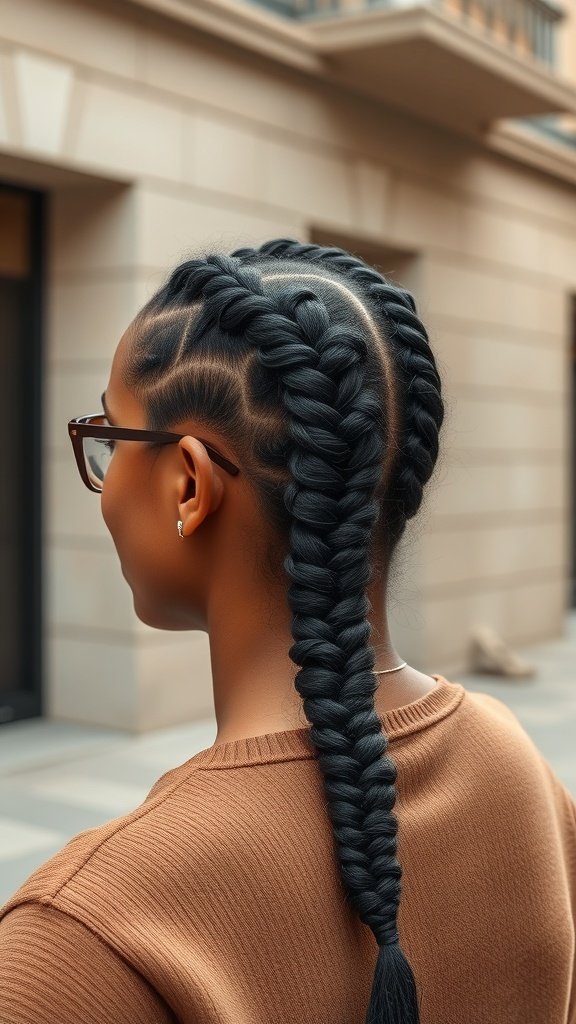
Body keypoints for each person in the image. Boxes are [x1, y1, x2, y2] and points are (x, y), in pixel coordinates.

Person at [0, 238, 574, 1024]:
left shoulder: (84, 941)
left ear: (188, 485)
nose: (101, 481)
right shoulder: (517, 770)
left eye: (112, 434)